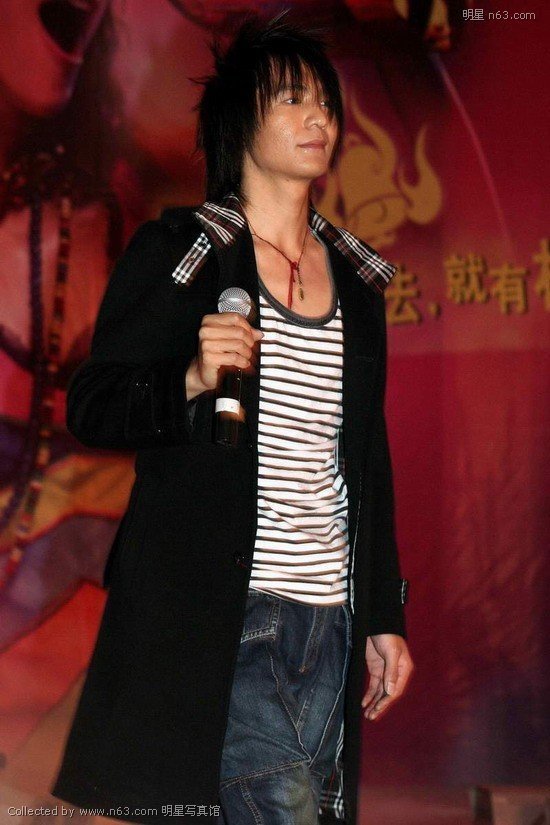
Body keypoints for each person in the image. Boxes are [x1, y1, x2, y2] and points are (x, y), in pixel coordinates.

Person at [51, 13, 414, 825]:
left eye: (327, 103)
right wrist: (186, 378)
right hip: (227, 609)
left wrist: (383, 615)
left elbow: (367, 459)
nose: (320, 118)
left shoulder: (356, 283)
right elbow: (92, 402)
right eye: (293, 99)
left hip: (329, 613)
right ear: (239, 121)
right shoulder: (185, 253)